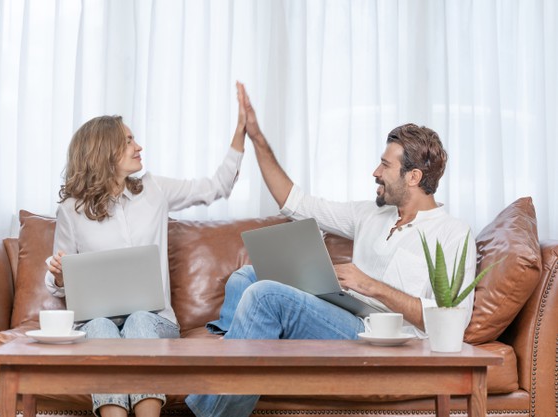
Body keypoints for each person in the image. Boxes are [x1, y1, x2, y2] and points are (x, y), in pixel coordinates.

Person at [185, 84, 477, 417]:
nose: (375, 172)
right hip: (344, 314)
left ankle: (213, 403)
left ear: (413, 177)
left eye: (384, 166)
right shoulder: (372, 213)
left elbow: (453, 321)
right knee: (247, 275)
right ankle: (237, 343)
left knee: (264, 295)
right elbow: (295, 202)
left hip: (384, 340)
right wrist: (257, 138)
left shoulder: (453, 233)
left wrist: (370, 285)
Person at [44, 83, 246, 417]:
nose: (139, 147)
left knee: (139, 320)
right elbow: (57, 279)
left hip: (155, 321)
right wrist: (60, 276)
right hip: (98, 323)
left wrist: (240, 133)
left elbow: (215, 187)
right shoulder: (72, 209)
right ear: (104, 151)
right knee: (98, 327)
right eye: (128, 141)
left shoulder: (154, 190)